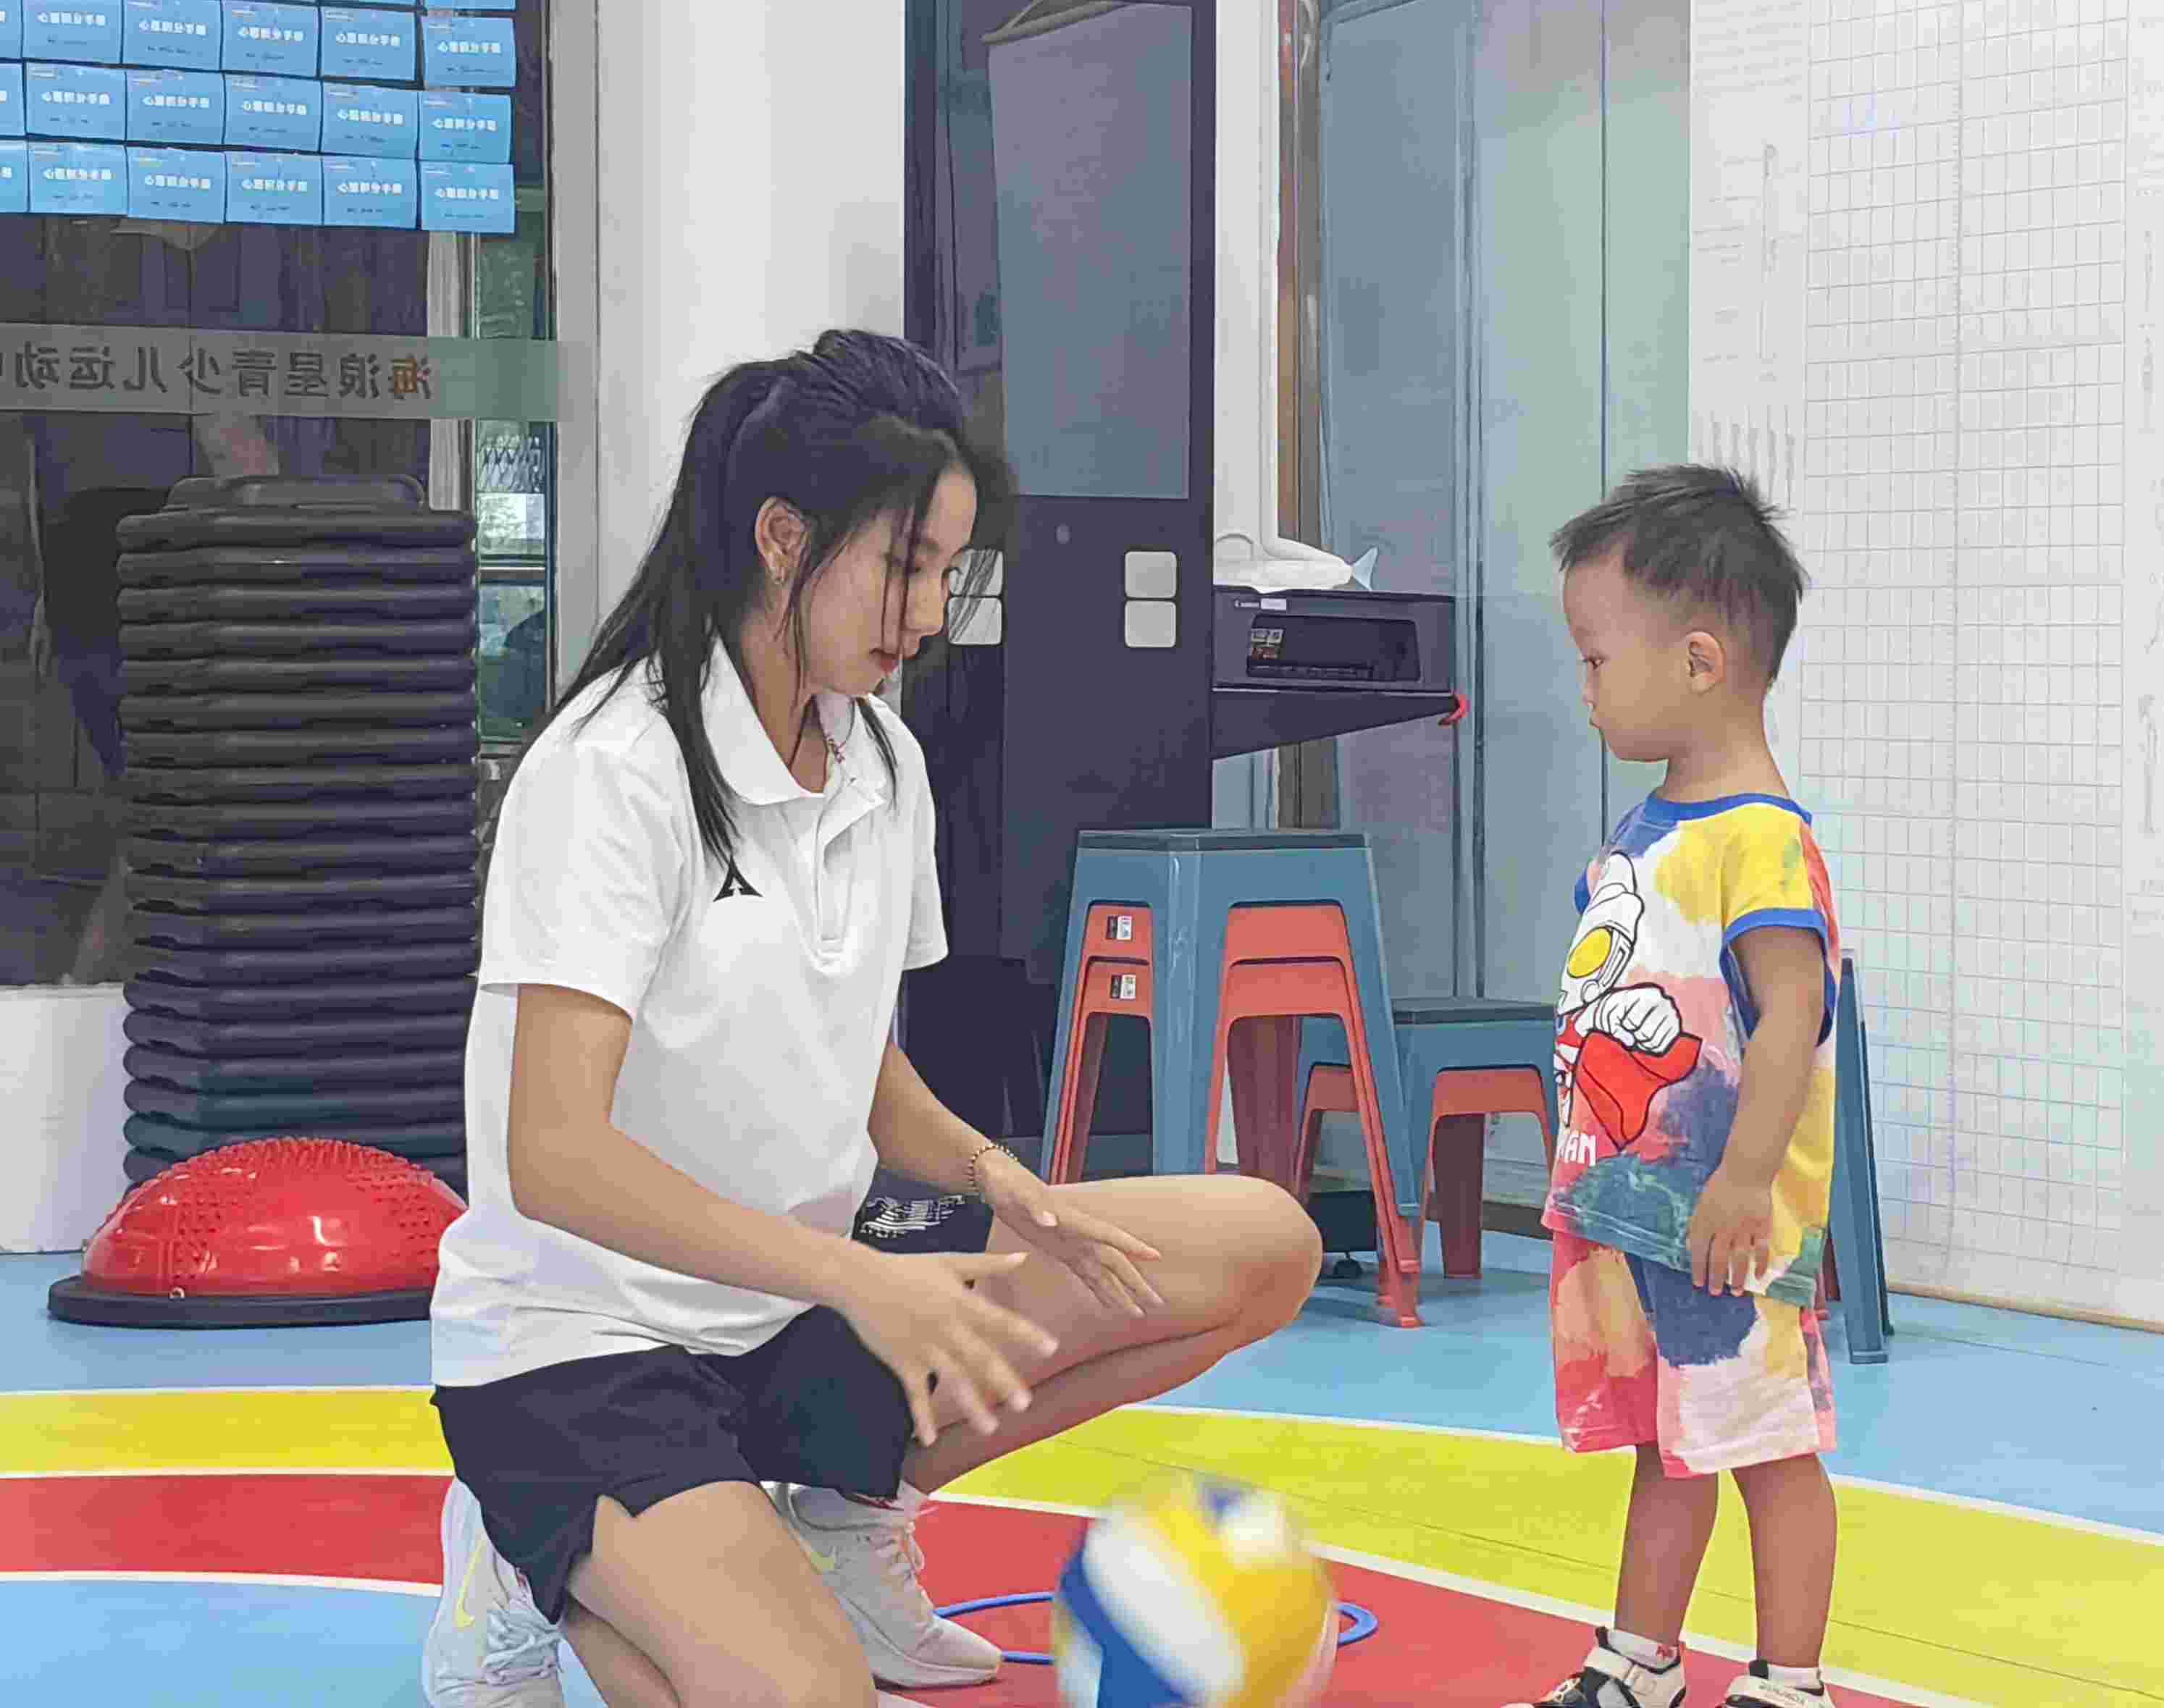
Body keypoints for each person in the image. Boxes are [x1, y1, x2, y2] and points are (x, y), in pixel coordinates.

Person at [419, 329, 1323, 1708]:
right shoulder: (612, 770)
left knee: (1260, 1246)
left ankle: (844, 1523)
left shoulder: (881, 757)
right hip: (586, 1355)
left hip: (791, 1321)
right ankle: (527, 1548)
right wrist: (853, 1277)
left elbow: (856, 1056)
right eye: (907, 567)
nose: (931, 612)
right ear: (784, 539)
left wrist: (997, 1180)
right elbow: (552, 1155)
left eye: (951, 572)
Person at [1517, 465, 1841, 1708]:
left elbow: (1793, 1013)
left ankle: (1791, 1681)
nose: (1586, 686)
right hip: (1636, 1220)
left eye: (1597, 659)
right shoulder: (1648, 831)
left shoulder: (1760, 839)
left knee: (1770, 1448)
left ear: (1699, 661)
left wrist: (1747, 1181)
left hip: (1725, 1229)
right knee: (1668, 1444)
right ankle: (1641, 1660)